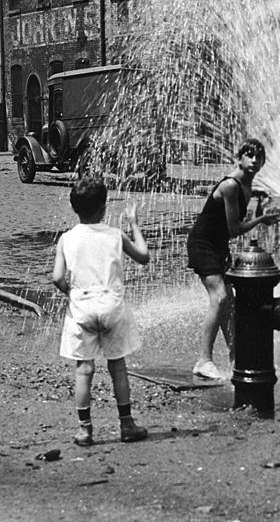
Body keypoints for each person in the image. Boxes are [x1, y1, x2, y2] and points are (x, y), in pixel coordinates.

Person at [53, 175, 150, 446]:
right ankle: (127, 424)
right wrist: (133, 224)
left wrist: (69, 291)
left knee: (84, 369)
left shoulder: (67, 239)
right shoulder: (115, 235)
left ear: (74, 208)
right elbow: (144, 256)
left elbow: (57, 277)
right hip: (112, 307)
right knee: (118, 367)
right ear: (104, 207)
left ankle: (85, 429)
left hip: (82, 309)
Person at [186, 138, 279, 380]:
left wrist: (265, 196)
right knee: (220, 298)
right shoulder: (230, 186)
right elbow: (235, 228)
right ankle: (203, 360)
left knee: (230, 305)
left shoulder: (247, 185)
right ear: (239, 158)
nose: (255, 160)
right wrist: (261, 219)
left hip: (218, 246)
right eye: (249, 155)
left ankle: (235, 356)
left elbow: (251, 193)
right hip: (202, 244)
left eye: (259, 157)